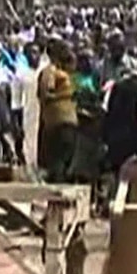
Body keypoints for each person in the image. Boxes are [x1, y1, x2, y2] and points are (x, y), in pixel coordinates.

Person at [37, 41, 78, 183]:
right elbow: (45, 95)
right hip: (58, 122)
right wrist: (67, 95)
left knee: (66, 160)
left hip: (68, 121)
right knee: (58, 161)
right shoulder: (50, 71)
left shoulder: (64, 72)